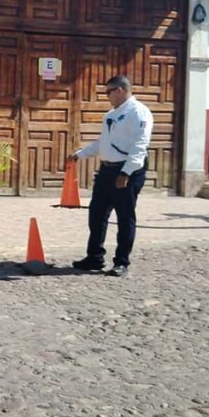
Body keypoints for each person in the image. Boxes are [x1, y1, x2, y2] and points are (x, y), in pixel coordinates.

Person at [67, 75, 153, 278]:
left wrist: (126, 173)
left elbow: (140, 147)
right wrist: (80, 154)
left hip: (127, 171)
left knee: (125, 217)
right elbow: (102, 143)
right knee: (97, 214)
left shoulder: (138, 112)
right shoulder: (112, 114)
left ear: (120, 90)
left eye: (108, 92)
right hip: (107, 170)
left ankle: (121, 262)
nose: (107, 96)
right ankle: (94, 257)